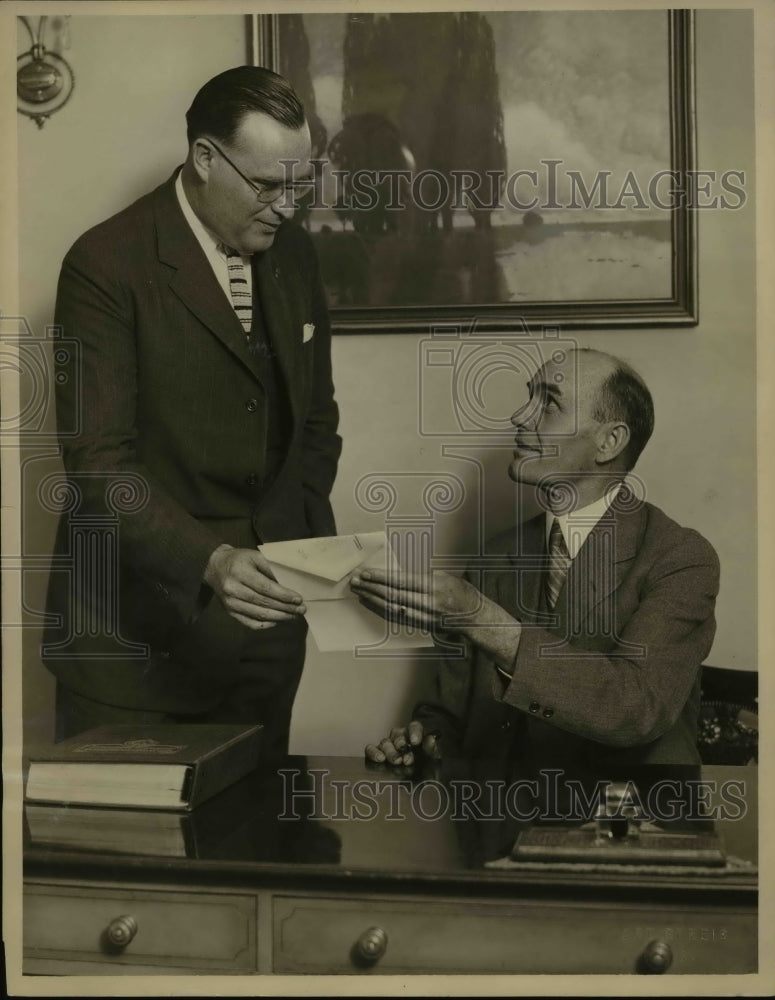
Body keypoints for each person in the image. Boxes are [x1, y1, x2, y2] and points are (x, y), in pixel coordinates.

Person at [44, 67, 341, 754]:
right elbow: (98, 466)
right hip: (131, 648)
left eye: (297, 184)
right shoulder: (105, 263)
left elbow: (315, 422)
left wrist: (290, 547)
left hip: (264, 642)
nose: (285, 206)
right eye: (267, 186)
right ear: (205, 158)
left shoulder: (294, 255)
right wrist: (209, 560)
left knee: (254, 849)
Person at [352, 348, 719, 770]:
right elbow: (445, 716)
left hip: (630, 821)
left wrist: (478, 617)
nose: (520, 417)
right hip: (502, 821)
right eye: (529, 398)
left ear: (609, 442)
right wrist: (424, 740)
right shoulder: (495, 555)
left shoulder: (681, 559)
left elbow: (635, 710)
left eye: (549, 402)